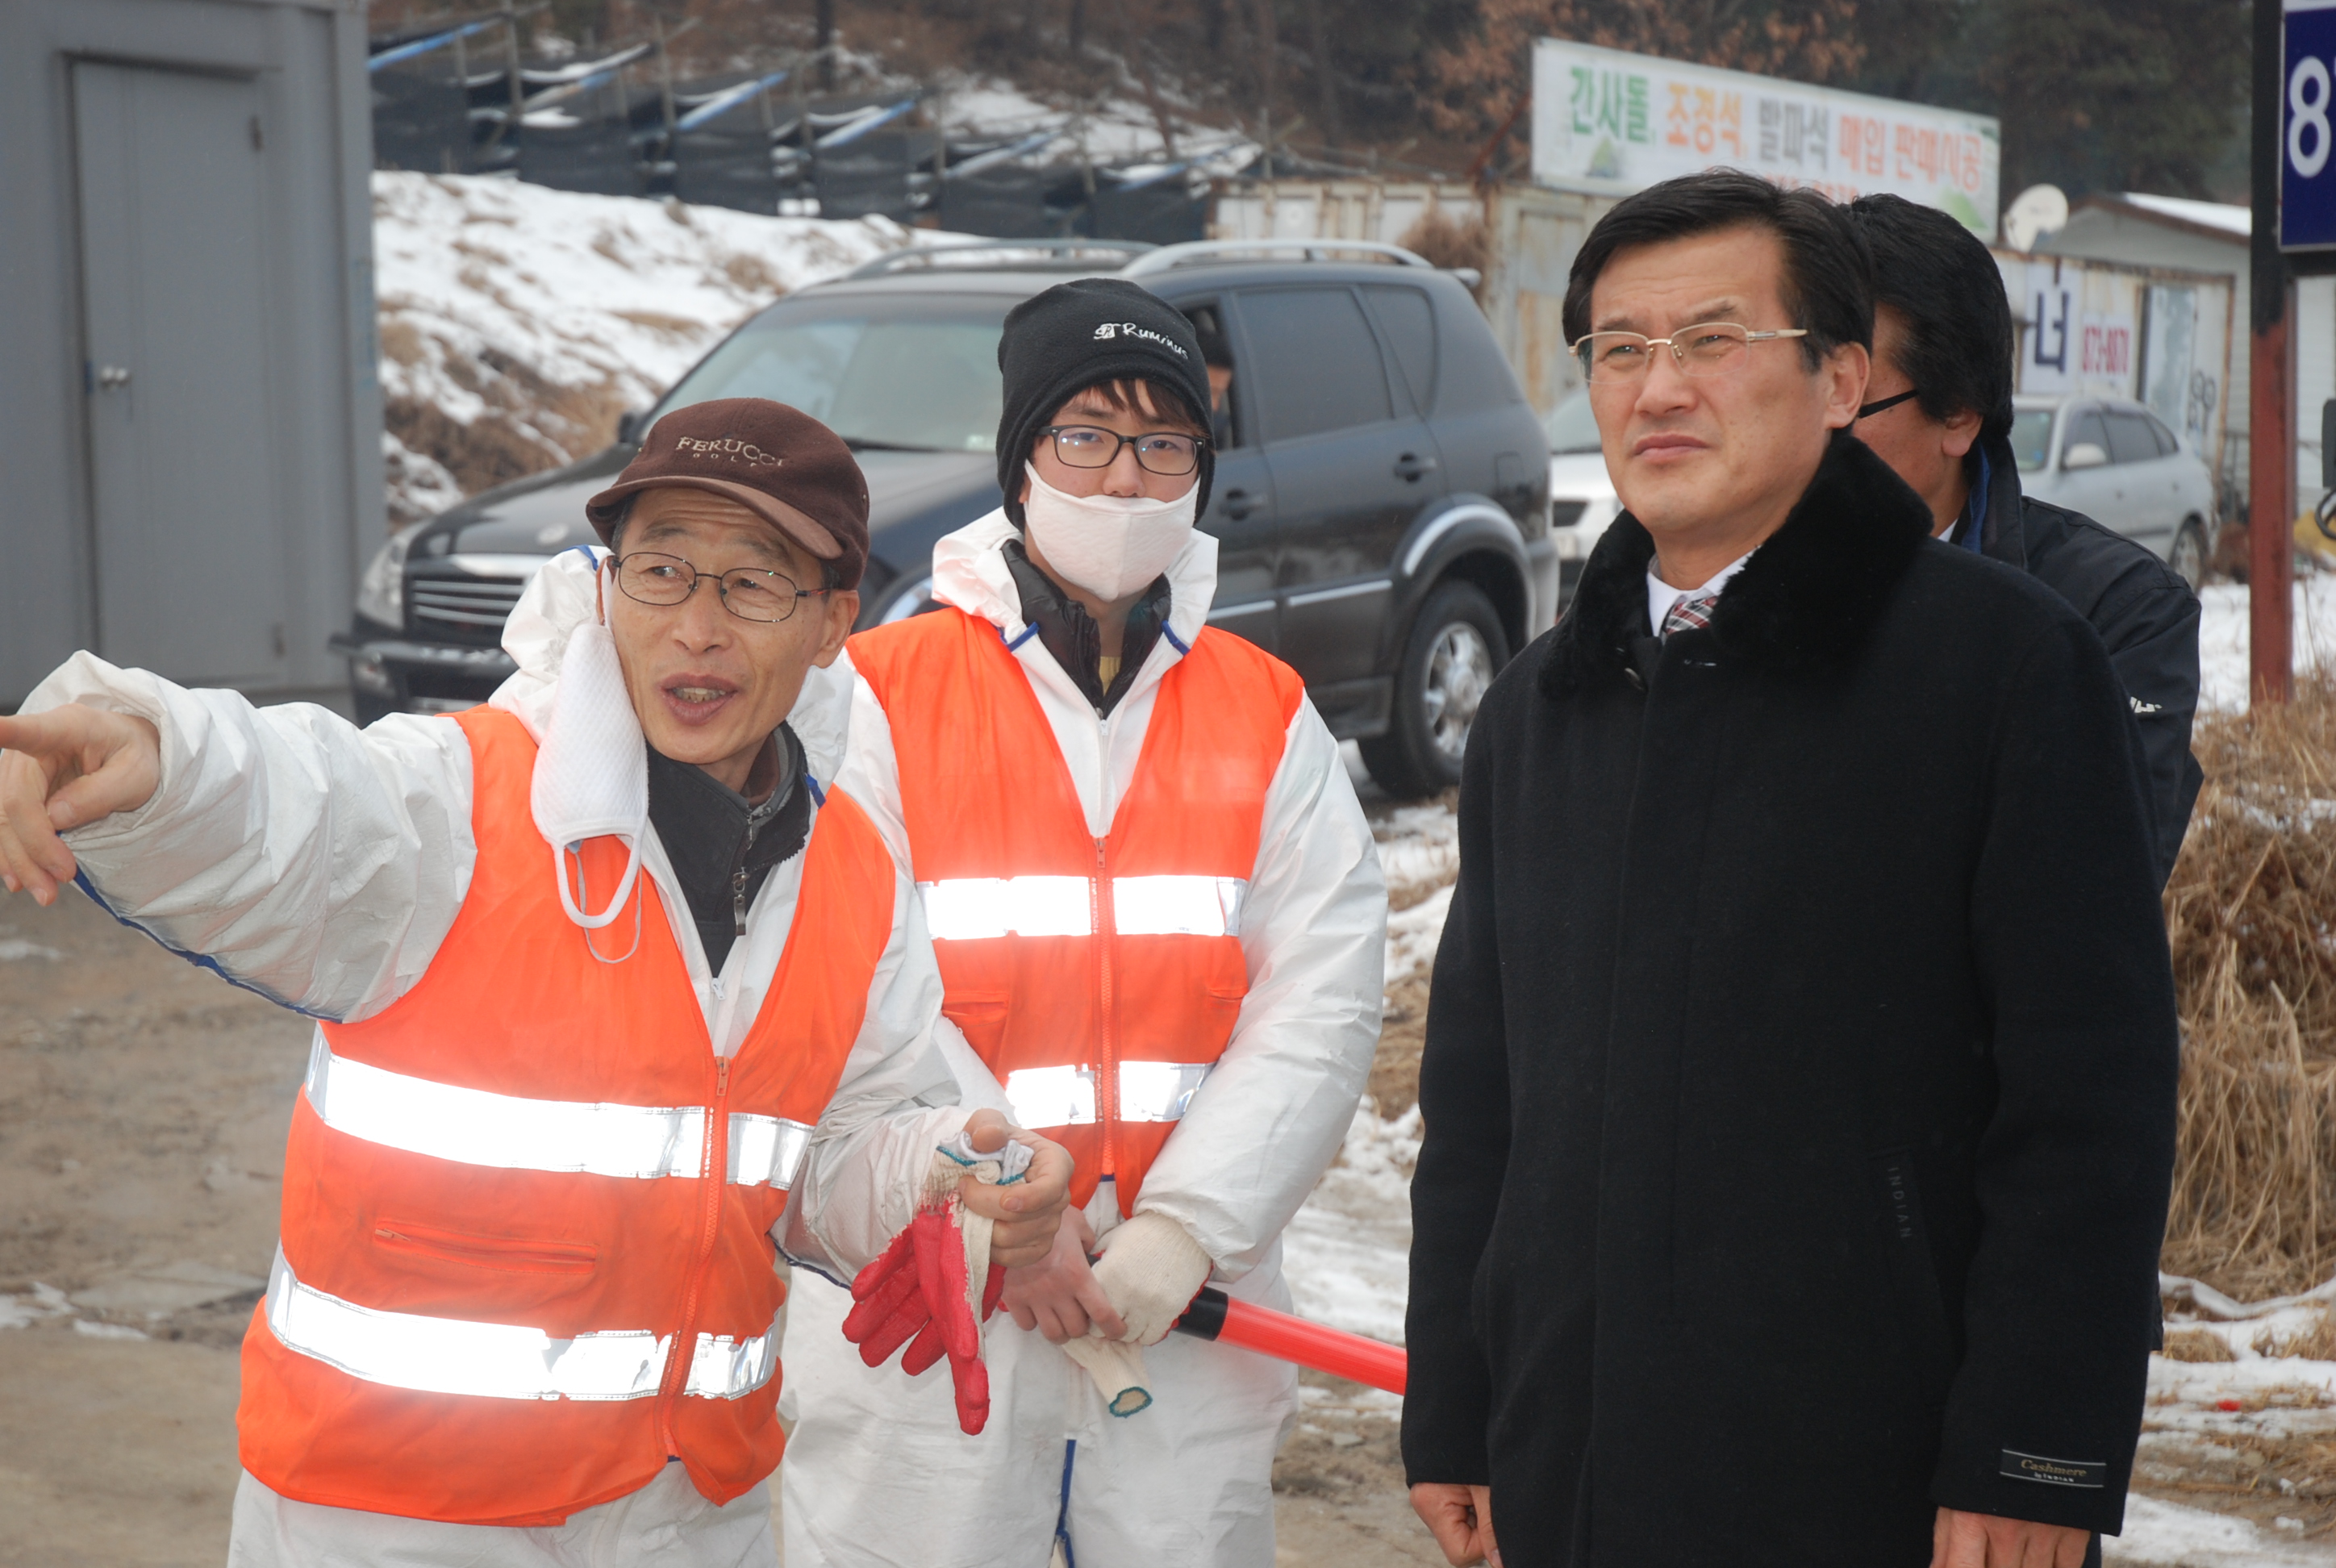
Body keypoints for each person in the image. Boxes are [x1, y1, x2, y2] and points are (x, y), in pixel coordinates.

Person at [0, 398, 1072, 1567]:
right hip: (399, 1520)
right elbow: (292, 799)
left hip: (687, 1514)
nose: (696, 628)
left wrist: (945, 1173)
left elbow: (827, 1154)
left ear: (830, 624)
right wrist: (155, 751)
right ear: (609, 590)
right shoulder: (457, 808)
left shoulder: (854, 875)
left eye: (751, 586)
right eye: (661, 572)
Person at [1401, 173, 2179, 1568]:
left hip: (1875, 1464)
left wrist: (2033, 1445)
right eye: (1620, 349)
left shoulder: (1999, 664)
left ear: (1839, 378)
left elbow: (2088, 1095)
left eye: (1714, 339)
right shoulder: (1540, 707)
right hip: (1570, 1454)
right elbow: (1480, 1106)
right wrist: (1454, 1404)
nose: (1659, 388)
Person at [779, 277, 1387, 1567]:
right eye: (1086, 437)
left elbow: (1321, 999)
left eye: (1165, 444)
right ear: (1021, 463)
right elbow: (858, 988)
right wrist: (1017, 1208)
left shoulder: (1264, 711)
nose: (1125, 481)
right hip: (941, 1298)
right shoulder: (879, 697)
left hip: (1176, 1317)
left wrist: (1188, 1224)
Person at [1843, 192, 2203, 886]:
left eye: (1848, 397)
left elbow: (2088, 893)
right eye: (1794, 386)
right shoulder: (1707, 583)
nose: (1808, 427)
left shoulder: (2114, 613)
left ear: (1958, 415)